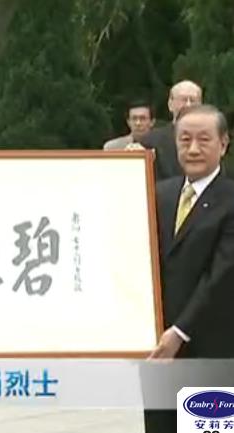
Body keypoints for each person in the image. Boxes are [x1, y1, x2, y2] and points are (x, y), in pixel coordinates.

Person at [144, 104, 234, 432]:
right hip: (158, 351)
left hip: (210, 350)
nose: (193, 148)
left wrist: (179, 331)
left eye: (203, 139)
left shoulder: (231, 200)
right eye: (185, 140)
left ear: (223, 144)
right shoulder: (158, 194)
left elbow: (222, 275)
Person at [140, 80, 202, 180]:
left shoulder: (210, 137)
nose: (188, 105)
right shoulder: (151, 140)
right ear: (170, 104)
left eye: (193, 100)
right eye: (183, 100)